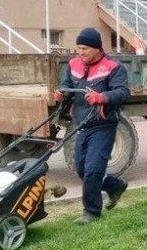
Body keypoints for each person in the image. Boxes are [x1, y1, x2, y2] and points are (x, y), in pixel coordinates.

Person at [53, 28, 130, 225]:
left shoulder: (113, 67)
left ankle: (91, 212)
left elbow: (123, 93)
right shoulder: (73, 64)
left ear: (97, 48)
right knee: (81, 169)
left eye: (85, 48)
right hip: (82, 123)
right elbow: (67, 86)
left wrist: (102, 97)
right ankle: (115, 186)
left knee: (93, 169)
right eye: (78, 47)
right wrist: (62, 94)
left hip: (103, 124)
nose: (80, 51)